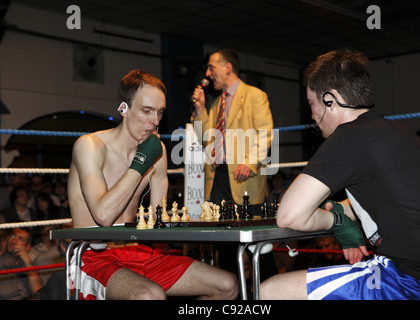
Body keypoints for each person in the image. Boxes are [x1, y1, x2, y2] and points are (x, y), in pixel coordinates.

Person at [260, 48, 420, 300]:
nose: (313, 115)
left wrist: (339, 223)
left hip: (416, 281)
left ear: (330, 100)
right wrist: (342, 210)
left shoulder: (349, 137)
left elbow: (288, 216)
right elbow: (392, 196)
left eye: (312, 103)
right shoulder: (398, 130)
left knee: (268, 291)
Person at [67, 69, 238, 300]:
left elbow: (159, 219)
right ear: (123, 109)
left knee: (227, 284)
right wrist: (141, 161)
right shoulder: (90, 146)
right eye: (147, 111)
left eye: (159, 113)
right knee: (149, 296)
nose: (155, 121)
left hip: (137, 251)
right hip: (92, 256)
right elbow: (103, 215)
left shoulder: (158, 151)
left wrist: (198, 219)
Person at [191, 48, 277, 280]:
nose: (208, 73)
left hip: (243, 178)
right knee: (225, 246)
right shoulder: (216, 103)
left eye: (212, 67)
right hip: (218, 177)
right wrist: (199, 111)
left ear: (227, 67)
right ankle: (232, 295)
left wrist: (249, 163)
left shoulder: (254, 96)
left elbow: (265, 133)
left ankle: (272, 292)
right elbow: (207, 140)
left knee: (257, 245)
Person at [0, 227, 44, 299]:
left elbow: (38, 293)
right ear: (7, 239)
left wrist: (28, 262)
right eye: (13, 236)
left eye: (21, 239)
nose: (14, 241)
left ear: (27, 247)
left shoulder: (29, 264)